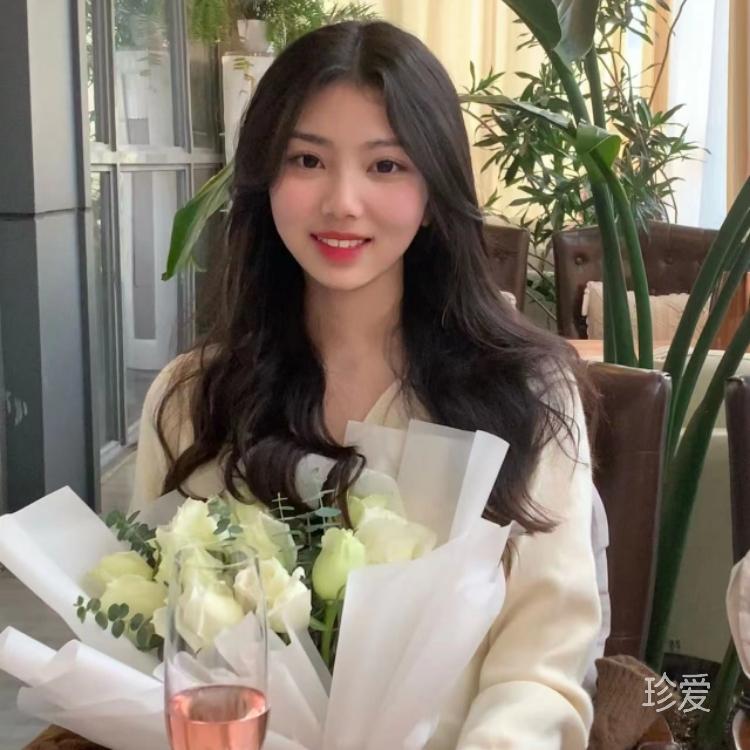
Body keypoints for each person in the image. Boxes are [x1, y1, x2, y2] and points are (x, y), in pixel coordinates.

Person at [130, 20, 601, 749]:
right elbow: (155, 650)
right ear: (265, 178)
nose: (343, 202)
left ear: (434, 188)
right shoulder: (193, 398)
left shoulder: (526, 395)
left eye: (385, 165)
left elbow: (541, 671)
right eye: (307, 160)